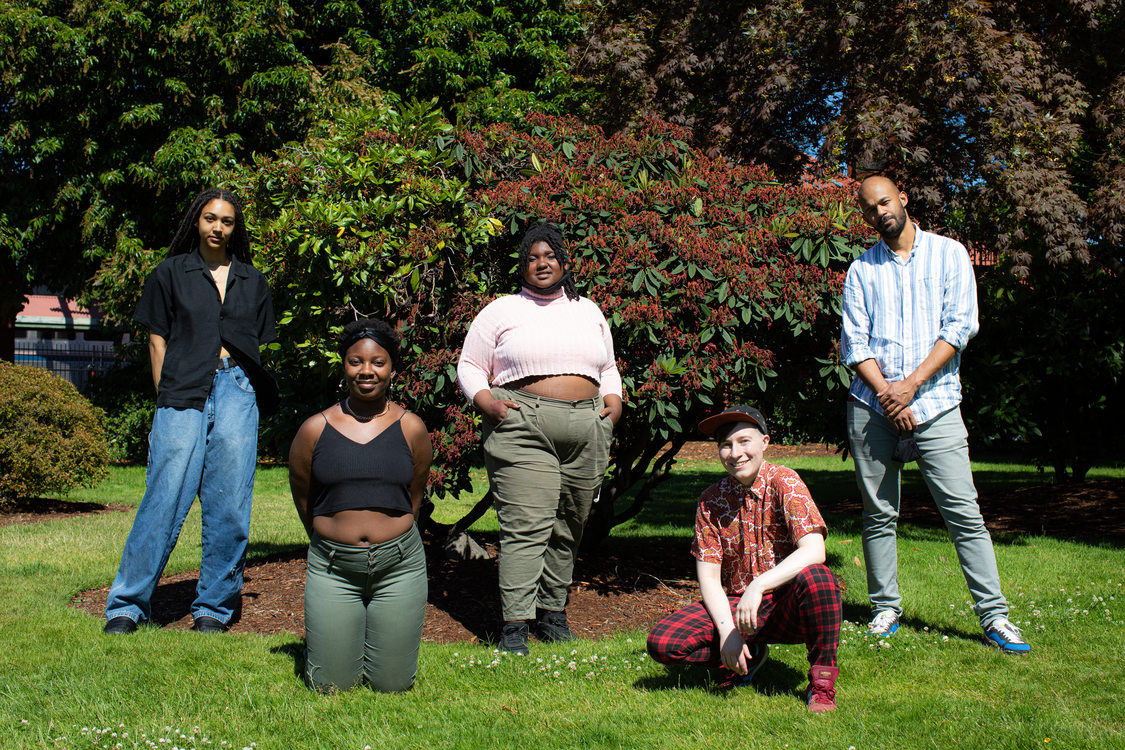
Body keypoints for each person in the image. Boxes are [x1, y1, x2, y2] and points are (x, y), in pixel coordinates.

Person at [840, 175, 1030, 653]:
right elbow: (854, 343)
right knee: (878, 514)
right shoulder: (861, 270)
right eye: (869, 208)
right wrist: (889, 394)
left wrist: (911, 388)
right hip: (872, 405)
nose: (879, 211)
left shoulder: (951, 254)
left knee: (964, 514)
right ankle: (885, 608)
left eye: (884, 201)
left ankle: (995, 617)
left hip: (937, 403)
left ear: (902, 198)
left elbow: (961, 326)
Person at [104, 188, 276, 635]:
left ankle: (214, 608)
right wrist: (165, 396)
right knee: (164, 497)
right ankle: (126, 605)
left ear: (236, 228)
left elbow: (257, 342)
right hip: (181, 391)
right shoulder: (169, 274)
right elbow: (156, 339)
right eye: (210, 218)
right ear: (196, 222)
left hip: (237, 387)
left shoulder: (252, 280)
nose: (218, 227)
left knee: (230, 504)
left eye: (227, 221)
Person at [457, 222, 623, 655]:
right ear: (523, 266)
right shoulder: (502, 310)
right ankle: (515, 625)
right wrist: (487, 403)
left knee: (569, 525)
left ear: (565, 262)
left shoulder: (588, 310)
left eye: (549, 256)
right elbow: (470, 365)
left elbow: (607, 366)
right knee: (526, 526)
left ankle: (552, 614)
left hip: (587, 427)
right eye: (532, 257)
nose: (542, 263)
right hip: (523, 424)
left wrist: (614, 401)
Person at [647, 406, 842, 712]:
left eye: (744, 441)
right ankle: (747, 654)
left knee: (819, 578)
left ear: (764, 442)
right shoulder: (710, 500)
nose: (735, 452)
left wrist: (759, 586)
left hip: (788, 605)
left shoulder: (785, 481)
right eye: (726, 444)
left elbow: (815, 550)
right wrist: (727, 633)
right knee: (664, 642)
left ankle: (821, 683)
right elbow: (709, 578)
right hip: (739, 610)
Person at [288, 319, 433, 692]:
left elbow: (413, 495)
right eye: (356, 362)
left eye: (377, 362)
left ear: (392, 369)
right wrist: (328, 537)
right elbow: (303, 495)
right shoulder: (314, 429)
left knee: (393, 685)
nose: (366, 371)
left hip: (399, 566)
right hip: (334, 568)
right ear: (344, 366)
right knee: (330, 685)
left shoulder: (412, 427)